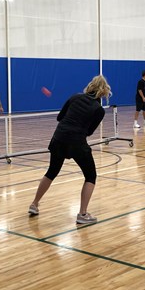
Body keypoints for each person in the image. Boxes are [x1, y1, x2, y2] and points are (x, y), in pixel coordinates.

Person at [28, 75, 111, 224]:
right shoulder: (99, 110)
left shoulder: (75, 97)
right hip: (77, 141)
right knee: (90, 176)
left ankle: (34, 204)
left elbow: (60, 117)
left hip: (58, 138)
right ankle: (83, 214)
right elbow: (90, 132)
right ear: (104, 91)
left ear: (90, 86)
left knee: (51, 171)